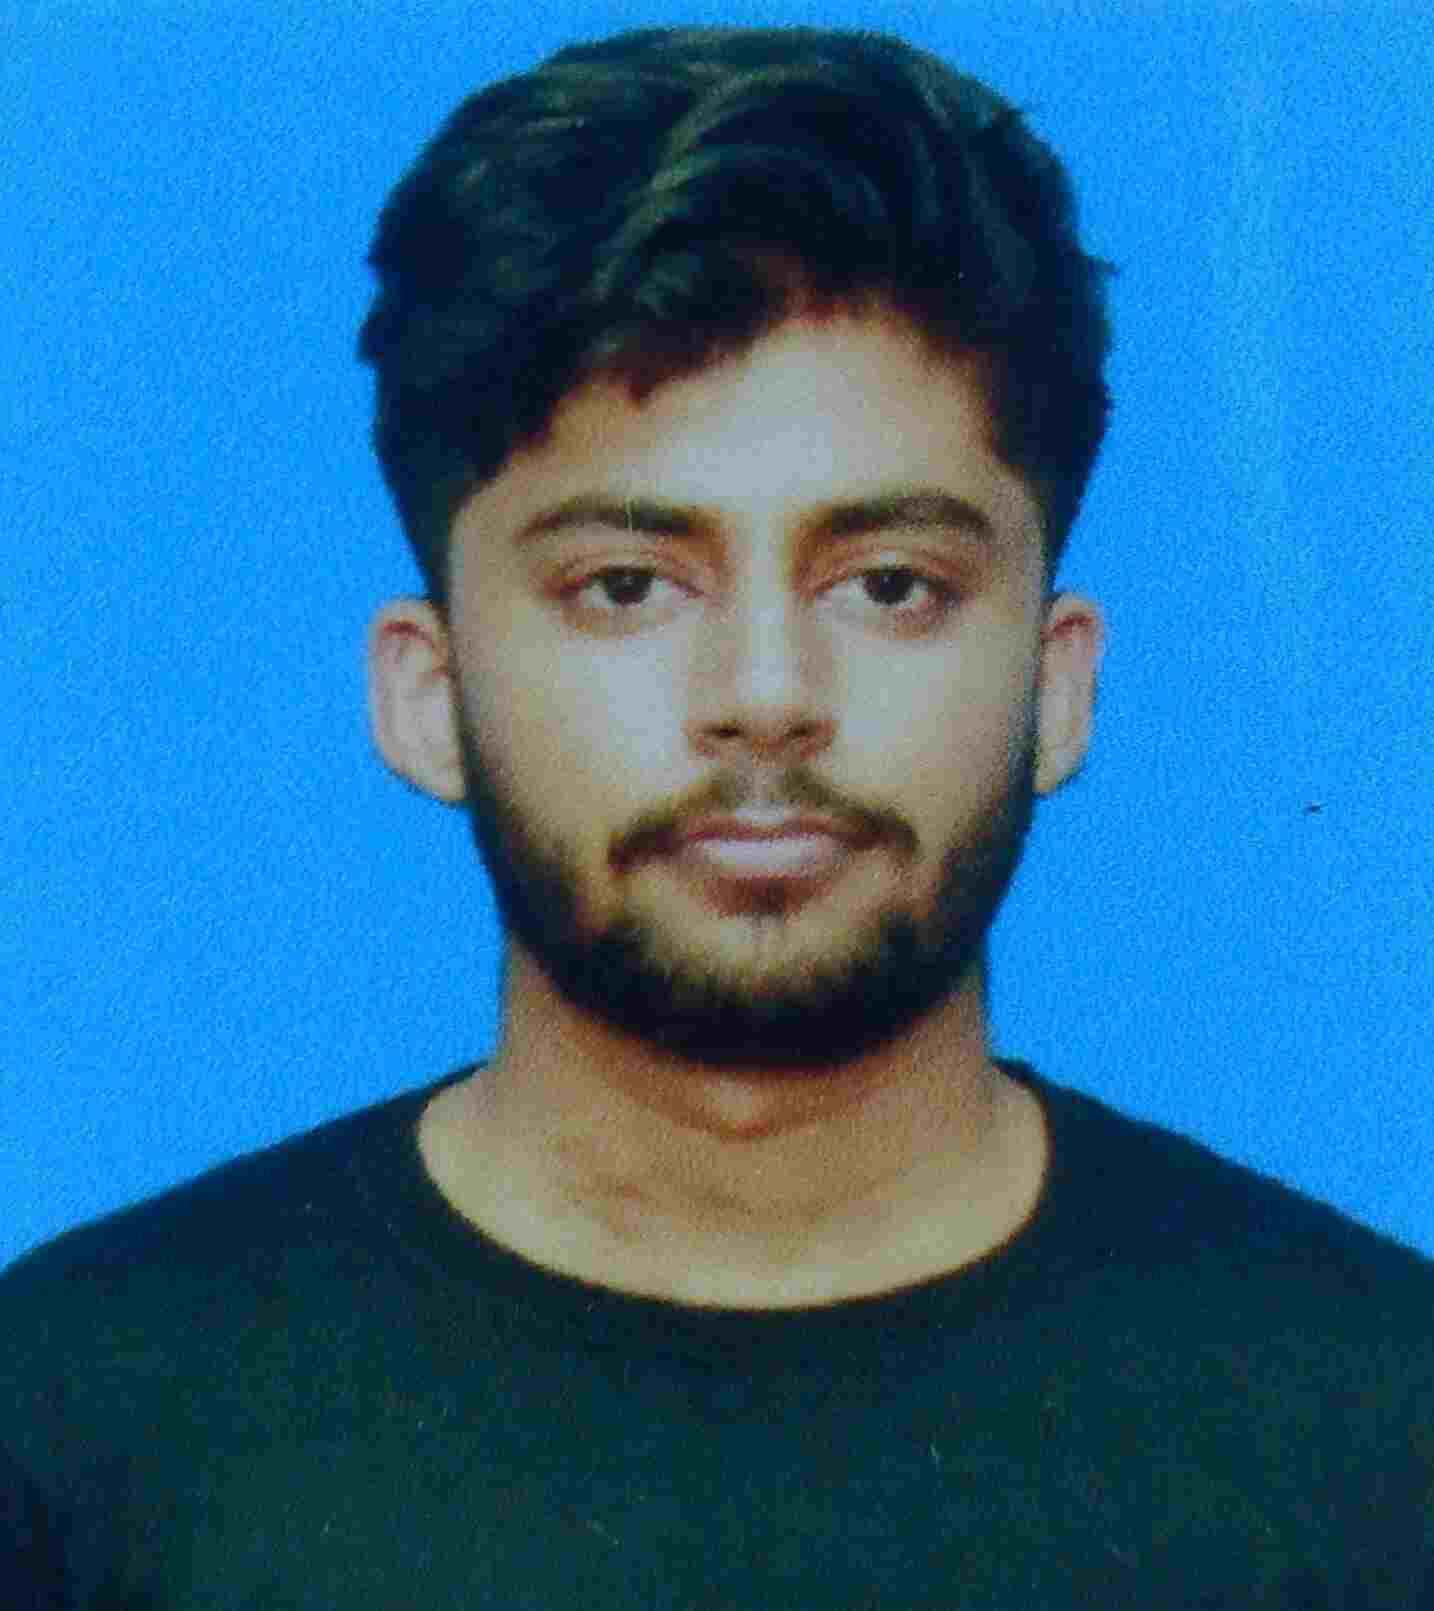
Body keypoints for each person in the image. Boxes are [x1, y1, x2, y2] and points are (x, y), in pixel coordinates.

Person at [4, 23, 1431, 1609]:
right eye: (626, 585)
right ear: (425, 690)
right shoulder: (69, 1432)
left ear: (1056, 683)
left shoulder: (1385, 1433)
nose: (764, 694)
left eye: (890, 585)